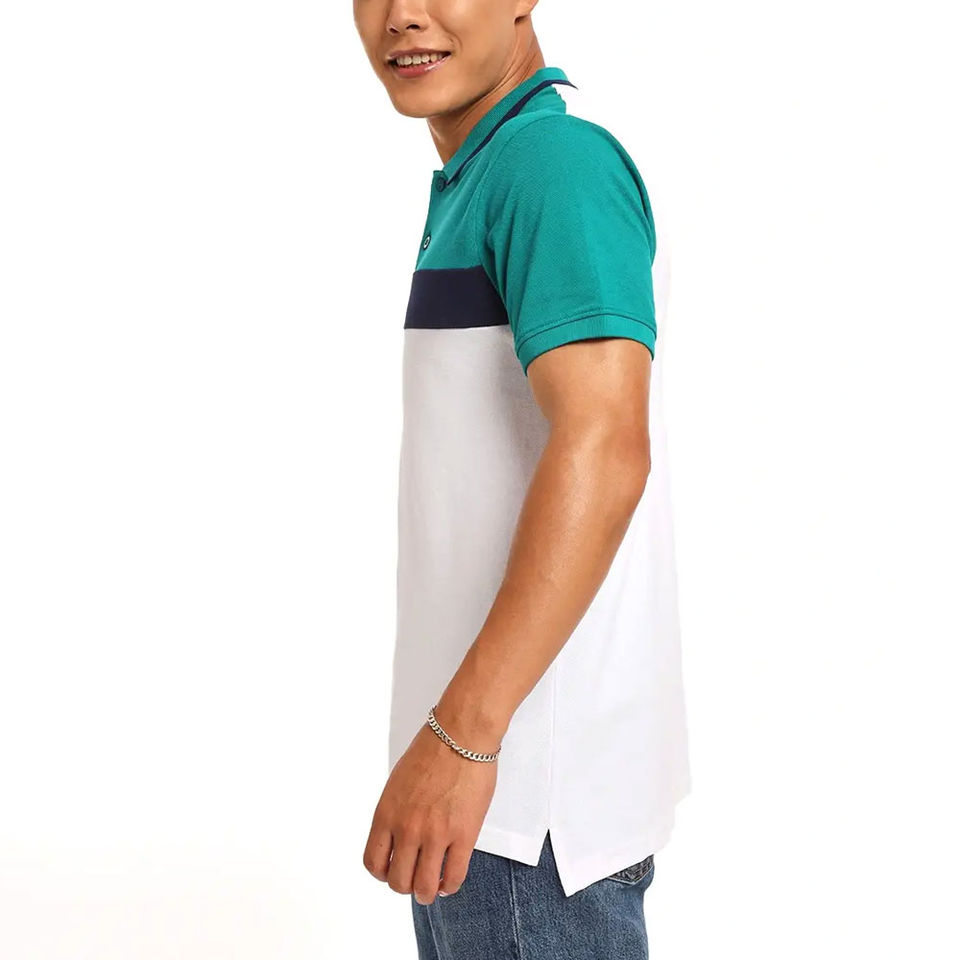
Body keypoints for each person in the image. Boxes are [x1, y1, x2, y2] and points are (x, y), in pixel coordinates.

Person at [353, 2, 692, 957]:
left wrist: (462, 737)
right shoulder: (491, 169)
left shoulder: (552, 164)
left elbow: (607, 445)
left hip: (523, 814)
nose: (403, 15)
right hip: (492, 802)